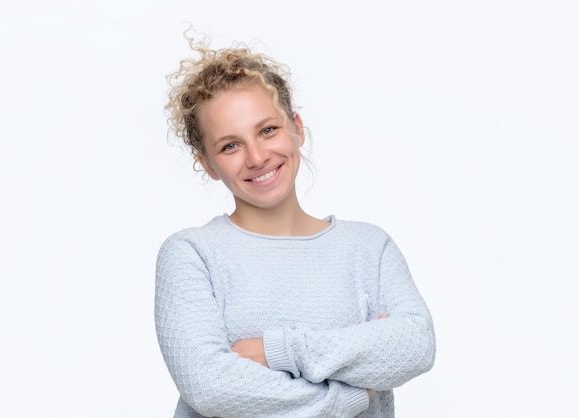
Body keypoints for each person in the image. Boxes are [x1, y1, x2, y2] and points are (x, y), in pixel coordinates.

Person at [155, 32, 436, 418]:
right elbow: (209, 385)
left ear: (297, 128)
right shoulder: (192, 254)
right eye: (230, 146)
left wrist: (274, 351)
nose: (256, 156)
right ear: (207, 163)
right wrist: (351, 392)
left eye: (267, 130)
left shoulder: (369, 248)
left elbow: (415, 345)